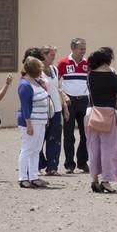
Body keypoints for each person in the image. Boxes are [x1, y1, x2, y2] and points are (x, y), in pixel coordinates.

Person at [85, 47, 117, 193]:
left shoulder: (90, 75)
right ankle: (106, 180)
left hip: (91, 112)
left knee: (93, 147)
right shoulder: (112, 76)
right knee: (108, 148)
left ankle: (94, 178)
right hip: (107, 112)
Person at [17, 56, 50, 188]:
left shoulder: (36, 81)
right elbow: (25, 106)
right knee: (27, 149)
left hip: (40, 121)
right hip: (31, 121)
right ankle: (23, 178)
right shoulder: (24, 85)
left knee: (36, 150)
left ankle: (34, 176)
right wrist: (28, 124)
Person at [57, 38, 90, 174]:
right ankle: (69, 164)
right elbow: (55, 82)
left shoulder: (88, 63)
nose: (83, 51)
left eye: (84, 48)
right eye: (81, 48)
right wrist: (63, 96)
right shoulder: (63, 63)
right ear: (73, 49)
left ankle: (82, 162)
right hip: (69, 103)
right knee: (69, 134)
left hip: (84, 101)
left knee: (86, 134)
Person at [39, 45, 67, 176]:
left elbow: (58, 88)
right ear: (43, 55)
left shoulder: (54, 69)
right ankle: (38, 164)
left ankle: (52, 167)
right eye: (51, 55)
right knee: (40, 139)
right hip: (43, 110)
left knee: (55, 139)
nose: (53, 58)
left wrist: (64, 107)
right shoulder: (38, 71)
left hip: (56, 109)